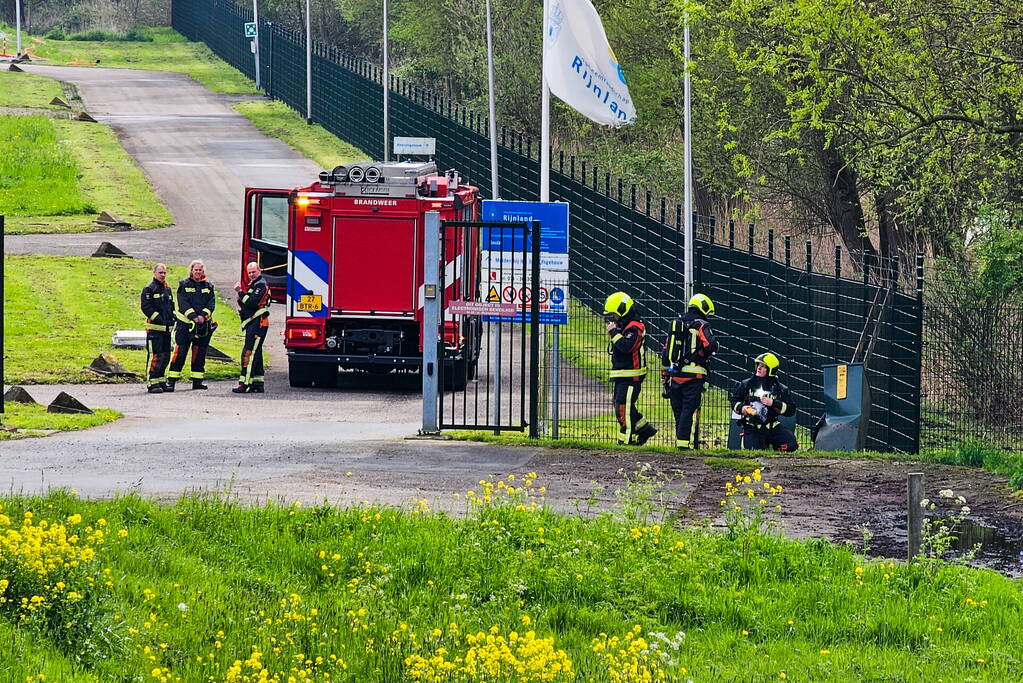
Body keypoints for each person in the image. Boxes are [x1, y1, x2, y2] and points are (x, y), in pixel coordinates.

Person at [661, 293, 719, 450]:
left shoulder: (677, 324)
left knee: (679, 411)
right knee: (688, 410)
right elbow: (710, 346)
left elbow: (666, 352)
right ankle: (683, 446)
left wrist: (665, 377)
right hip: (694, 376)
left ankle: (681, 444)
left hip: (675, 375)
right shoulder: (701, 324)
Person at [604, 292, 657, 446]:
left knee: (623, 408)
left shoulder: (635, 327)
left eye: (614, 315)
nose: (613, 319)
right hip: (623, 375)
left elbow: (627, 347)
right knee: (622, 405)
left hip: (631, 376)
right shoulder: (626, 325)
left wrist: (614, 333)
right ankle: (645, 429)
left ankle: (625, 441)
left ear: (622, 310)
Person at [730, 352, 798, 451]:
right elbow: (734, 401)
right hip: (752, 427)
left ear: (771, 370)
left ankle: (772, 448)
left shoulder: (780, 389)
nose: (759, 368)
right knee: (754, 451)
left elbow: (791, 410)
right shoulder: (746, 384)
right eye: (758, 365)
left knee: (791, 445)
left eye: (763, 366)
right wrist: (742, 408)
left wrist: (774, 403)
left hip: (772, 426)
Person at [167, 259, 217, 391]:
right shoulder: (184, 284)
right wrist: (194, 317)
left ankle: (197, 381)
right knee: (180, 353)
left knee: (199, 354)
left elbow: (211, 303)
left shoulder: (208, 286)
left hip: (202, 326)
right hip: (185, 325)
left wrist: (203, 316)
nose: (198, 272)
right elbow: (183, 303)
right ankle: (171, 381)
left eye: (200, 270)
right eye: (196, 270)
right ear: (191, 271)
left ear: (203, 271)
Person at [233, 261, 271, 393]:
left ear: (259, 271)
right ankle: (258, 383)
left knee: (249, 352)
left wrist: (240, 293)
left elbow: (252, 302)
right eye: (249, 273)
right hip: (252, 323)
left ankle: (244, 383)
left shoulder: (261, 285)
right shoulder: (253, 285)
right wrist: (242, 297)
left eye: (253, 272)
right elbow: (245, 304)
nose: (251, 275)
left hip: (258, 323)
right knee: (257, 352)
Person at [140, 263, 174, 394]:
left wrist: (172, 317)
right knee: (155, 356)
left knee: (165, 356)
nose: (163, 275)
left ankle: (160, 380)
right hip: (155, 329)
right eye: (160, 273)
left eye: (164, 272)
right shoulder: (149, 289)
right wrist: (159, 318)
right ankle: (152, 382)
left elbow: (171, 305)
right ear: (154, 273)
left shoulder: (167, 288)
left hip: (166, 329)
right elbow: (146, 307)